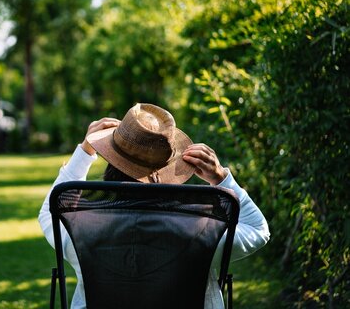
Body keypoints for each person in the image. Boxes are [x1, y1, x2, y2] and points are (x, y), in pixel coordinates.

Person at [38, 103, 270, 309]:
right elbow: (259, 229)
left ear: (111, 161)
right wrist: (221, 178)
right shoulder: (202, 232)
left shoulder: (83, 229)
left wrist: (84, 153)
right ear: (166, 172)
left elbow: (48, 213)